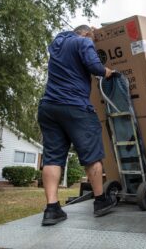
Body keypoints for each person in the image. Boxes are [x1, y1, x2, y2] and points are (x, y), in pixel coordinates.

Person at [38, 25, 114, 226]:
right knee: (91, 154)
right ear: (88, 34)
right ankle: (100, 201)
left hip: (49, 107)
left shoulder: (57, 43)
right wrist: (108, 72)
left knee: (52, 157)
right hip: (75, 107)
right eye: (93, 38)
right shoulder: (84, 41)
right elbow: (95, 67)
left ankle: (52, 209)